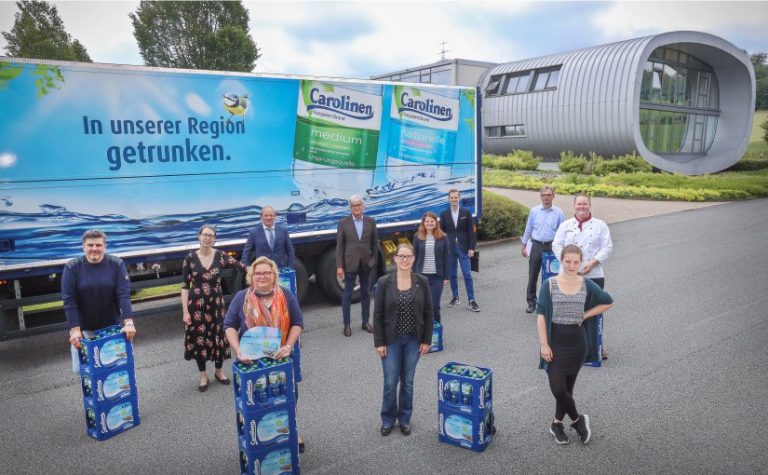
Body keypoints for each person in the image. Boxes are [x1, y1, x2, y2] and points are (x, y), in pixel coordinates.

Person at [224, 256, 305, 451]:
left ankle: (292, 430)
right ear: (251, 276)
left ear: (274, 275)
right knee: (258, 401)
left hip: (280, 359)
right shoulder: (241, 298)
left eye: (267, 272)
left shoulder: (285, 295)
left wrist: (289, 345)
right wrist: (238, 349)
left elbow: (297, 323)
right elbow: (229, 326)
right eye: (258, 273)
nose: (262, 276)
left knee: (289, 396)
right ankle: (261, 435)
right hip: (252, 363)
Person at [537, 244, 613, 445]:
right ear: (561, 261)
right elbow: (541, 315)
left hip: (578, 344)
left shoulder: (586, 284)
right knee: (558, 388)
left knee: (567, 390)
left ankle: (556, 424)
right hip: (555, 344)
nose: (571, 265)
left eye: (576, 262)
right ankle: (578, 421)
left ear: (581, 263)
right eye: (568, 261)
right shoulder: (549, 284)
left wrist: (585, 315)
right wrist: (544, 344)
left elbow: (607, 301)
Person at [373, 243, 433, 436]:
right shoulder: (384, 282)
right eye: (402, 256)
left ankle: (405, 419)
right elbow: (378, 315)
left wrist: (426, 340)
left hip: (413, 341)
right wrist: (379, 342)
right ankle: (388, 419)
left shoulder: (422, 282)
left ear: (414, 259)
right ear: (395, 259)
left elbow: (429, 313)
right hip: (391, 340)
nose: (405, 260)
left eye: (408, 256)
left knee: (408, 381)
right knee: (390, 382)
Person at [181, 225, 247, 392]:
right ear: (199, 236)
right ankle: (203, 375)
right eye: (205, 234)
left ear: (215, 238)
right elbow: (184, 286)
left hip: (216, 305)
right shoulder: (190, 258)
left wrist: (262, 271)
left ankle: (218, 371)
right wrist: (185, 312)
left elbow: (241, 266)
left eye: (211, 235)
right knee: (199, 338)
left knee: (219, 337)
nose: (207, 238)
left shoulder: (221, 256)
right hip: (196, 306)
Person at [552, 194, 613, 359]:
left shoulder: (600, 225)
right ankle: (571, 347)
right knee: (570, 310)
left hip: (594, 274)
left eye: (585, 204)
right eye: (579, 204)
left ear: (590, 205)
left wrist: (592, 262)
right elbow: (556, 245)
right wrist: (567, 264)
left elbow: (607, 247)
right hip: (569, 276)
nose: (582, 207)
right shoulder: (565, 225)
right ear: (574, 206)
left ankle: (597, 346)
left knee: (594, 311)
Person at [63, 229, 136, 349]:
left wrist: (129, 322)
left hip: (112, 329)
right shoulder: (71, 267)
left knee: (116, 359)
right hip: (83, 332)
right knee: (84, 362)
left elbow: (123, 294)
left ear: (105, 247)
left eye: (98, 245)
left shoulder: (117, 264)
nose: (94, 248)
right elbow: (69, 300)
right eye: (90, 245)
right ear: (83, 247)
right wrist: (75, 330)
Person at [336, 195, 379, 337]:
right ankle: (347, 325)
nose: (356, 207)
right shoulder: (343, 223)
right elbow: (340, 245)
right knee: (347, 295)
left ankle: (365, 322)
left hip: (366, 263)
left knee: (366, 293)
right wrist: (339, 266)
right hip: (350, 263)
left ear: (363, 206)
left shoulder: (371, 221)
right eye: (354, 205)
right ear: (350, 207)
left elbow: (374, 244)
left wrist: (373, 260)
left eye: (359, 205)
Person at [521, 186, 564, 313]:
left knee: (551, 276)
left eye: (548, 195)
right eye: (543, 195)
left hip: (551, 247)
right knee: (533, 275)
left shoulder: (559, 213)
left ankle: (548, 303)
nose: (546, 197)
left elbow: (562, 232)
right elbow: (528, 229)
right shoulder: (534, 211)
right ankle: (531, 302)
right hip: (536, 246)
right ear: (540, 197)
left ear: (553, 196)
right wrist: (524, 244)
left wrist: (563, 249)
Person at [439, 189, 479, 312]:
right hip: (450, 249)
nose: (454, 200)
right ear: (449, 199)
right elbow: (441, 233)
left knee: (467, 274)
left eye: (456, 197)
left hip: (464, 248)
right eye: (452, 197)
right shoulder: (444, 214)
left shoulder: (466, 212)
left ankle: (471, 300)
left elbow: (471, 232)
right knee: (452, 274)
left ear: (459, 198)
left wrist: (472, 247)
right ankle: (455, 297)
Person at [412, 211, 450, 323]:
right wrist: (412, 275)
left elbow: (446, 258)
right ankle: (423, 329)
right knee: (421, 305)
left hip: (437, 277)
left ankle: (436, 328)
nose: (429, 223)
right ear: (423, 223)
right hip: (421, 276)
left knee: (434, 305)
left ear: (436, 222)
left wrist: (446, 277)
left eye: (431, 221)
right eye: (427, 221)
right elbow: (414, 256)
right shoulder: (417, 237)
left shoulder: (443, 237)